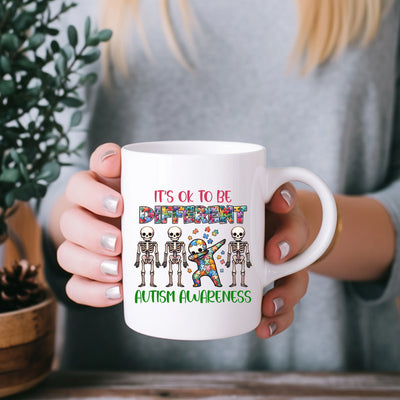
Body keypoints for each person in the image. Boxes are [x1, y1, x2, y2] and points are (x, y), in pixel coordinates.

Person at [41, 0, 400, 371]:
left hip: (339, 379)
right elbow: (47, 172)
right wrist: (78, 224)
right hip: (112, 377)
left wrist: (299, 224)